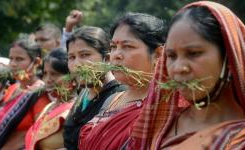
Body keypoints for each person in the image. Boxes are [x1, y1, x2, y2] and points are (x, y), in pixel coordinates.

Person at [127, 1, 245, 149]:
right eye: (171, 56)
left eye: (194, 53)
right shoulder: (160, 125)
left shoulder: (239, 138)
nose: (178, 68)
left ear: (229, 57)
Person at [78, 12, 167, 150]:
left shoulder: (164, 107)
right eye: (113, 47)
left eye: (127, 46)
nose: (116, 55)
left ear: (158, 54)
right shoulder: (112, 100)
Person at [63, 26, 126, 149]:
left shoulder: (119, 97)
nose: (77, 64)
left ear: (107, 59)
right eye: (71, 57)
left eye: (85, 55)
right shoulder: (83, 93)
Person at [0, 34, 50, 150]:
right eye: (11, 58)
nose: (13, 64)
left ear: (36, 62)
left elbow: (39, 137)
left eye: (19, 59)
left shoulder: (40, 94)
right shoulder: (12, 89)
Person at [25, 48, 76, 150]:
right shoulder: (49, 106)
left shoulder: (76, 110)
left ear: (73, 77)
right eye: (45, 74)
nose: (47, 80)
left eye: (54, 74)